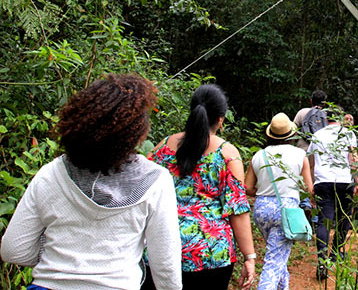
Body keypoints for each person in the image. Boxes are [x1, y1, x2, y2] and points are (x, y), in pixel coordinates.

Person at [0, 74, 182, 290]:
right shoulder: (155, 180)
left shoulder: (50, 173)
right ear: (136, 132)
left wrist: (59, 258)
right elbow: (166, 267)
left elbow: (13, 250)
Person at [144, 84, 255, 290]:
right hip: (210, 254)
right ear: (220, 120)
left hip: (160, 246)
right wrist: (249, 256)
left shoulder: (163, 146)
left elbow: (143, 192)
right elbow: (237, 210)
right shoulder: (227, 154)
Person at [245, 113, 314, 290]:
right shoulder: (300, 154)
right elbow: (308, 189)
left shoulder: (259, 155)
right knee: (273, 261)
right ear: (291, 134)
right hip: (286, 210)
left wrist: (264, 192)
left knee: (278, 256)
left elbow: (248, 187)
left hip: (261, 210)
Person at [307, 113, 358, 281]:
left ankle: (322, 260)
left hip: (322, 182)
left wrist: (311, 187)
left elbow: (311, 163)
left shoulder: (317, 135)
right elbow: (353, 158)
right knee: (343, 219)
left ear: (326, 119)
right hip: (344, 181)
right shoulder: (348, 133)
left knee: (324, 221)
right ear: (339, 118)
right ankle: (336, 254)